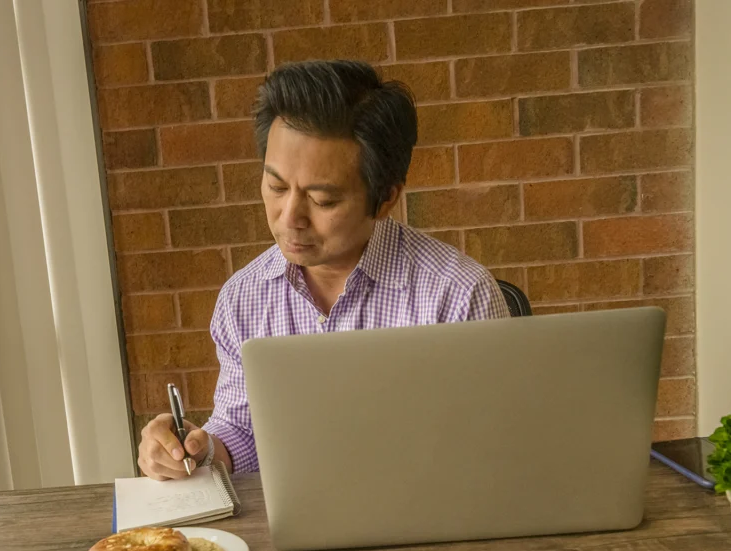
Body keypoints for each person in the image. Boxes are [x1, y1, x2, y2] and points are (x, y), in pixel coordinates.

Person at [137, 59, 510, 480]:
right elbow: (242, 429)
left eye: (322, 200)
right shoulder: (243, 297)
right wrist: (197, 449)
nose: (289, 216)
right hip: (294, 529)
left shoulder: (458, 294)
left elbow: (499, 450)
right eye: (276, 187)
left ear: (385, 198)